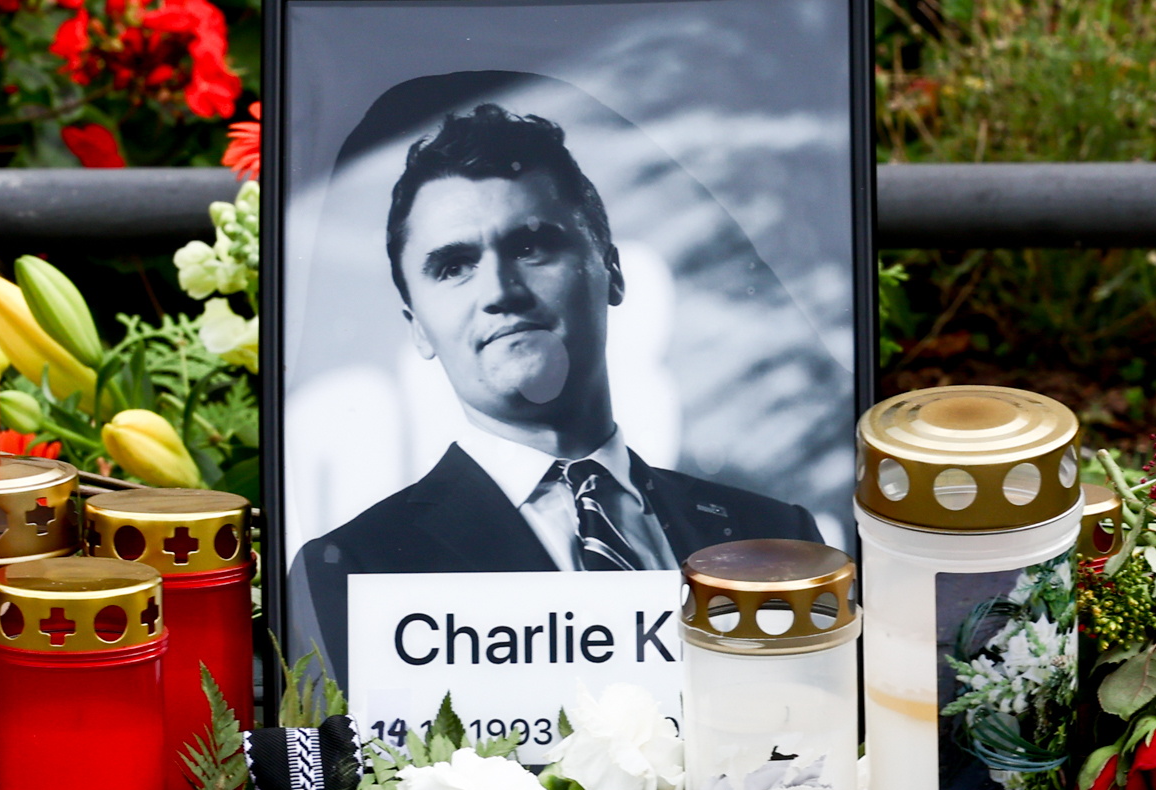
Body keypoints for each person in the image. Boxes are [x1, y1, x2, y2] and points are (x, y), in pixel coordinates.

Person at [286, 103, 820, 685]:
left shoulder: (777, 539)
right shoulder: (354, 573)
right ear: (416, 325)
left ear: (611, 271)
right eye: (454, 266)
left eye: (531, 247)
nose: (499, 290)